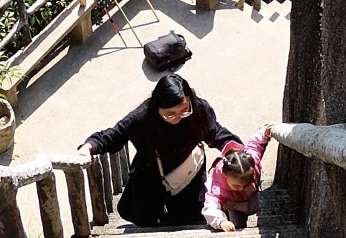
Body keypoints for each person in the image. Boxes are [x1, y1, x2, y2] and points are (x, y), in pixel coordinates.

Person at [79, 74, 241, 227]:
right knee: (145, 218)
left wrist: (238, 153)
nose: (178, 118)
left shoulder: (199, 109)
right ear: (157, 108)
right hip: (151, 171)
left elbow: (217, 134)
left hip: (188, 171)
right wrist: (87, 148)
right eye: (170, 114)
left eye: (184, 110)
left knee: (188, 218)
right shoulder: (142, 117)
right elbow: (112, 136)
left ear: (190, 99)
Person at [203, 124, 272, 232]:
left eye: (246, 183)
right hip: (229, 201)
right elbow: (211, 204)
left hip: (248, 198)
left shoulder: (252, 159)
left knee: (249, 211)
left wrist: (265, 132)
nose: (241, 188)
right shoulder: (219, 186)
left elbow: (256, 144)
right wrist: (220, 221)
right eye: (236, 185)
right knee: (236, 224)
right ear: (225, 176)